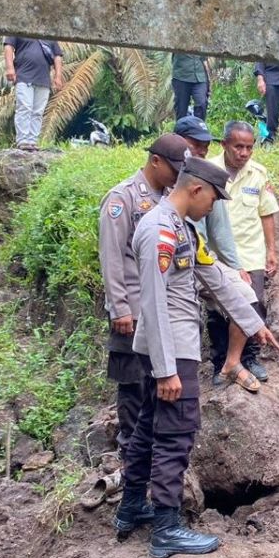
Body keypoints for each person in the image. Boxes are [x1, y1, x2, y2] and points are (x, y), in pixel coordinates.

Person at [117, 157, 279, 558]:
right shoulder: (159, 231)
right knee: (176, 432)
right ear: (196, 190)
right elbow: (153, 303)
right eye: (213, 198)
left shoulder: (182, 230)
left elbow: (215, 278)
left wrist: (253, 321)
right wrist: (165, 370)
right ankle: (167, 528)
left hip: (171, 347)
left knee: (146, 430)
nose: (214, 207)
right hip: (171, 350)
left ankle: (133, 506)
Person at [98, 134, 190, 479]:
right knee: (132, 386)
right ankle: (129, 455)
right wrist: (119, 308)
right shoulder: (122, 199)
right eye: (173, 168)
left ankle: (149, 456)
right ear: (155, 161)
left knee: (154, 383)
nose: (177, 176)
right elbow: (111, 257)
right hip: (131, 310)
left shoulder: (167, 200)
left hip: (156, 311)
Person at [208, 121, 278, 383]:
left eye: (249, 147)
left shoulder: (258, 174)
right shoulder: (209, 171)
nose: (244, 153)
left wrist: (271, 251)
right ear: (224, 144)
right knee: (217, 310)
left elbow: (266, 212)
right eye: (238, 146)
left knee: (253, 305)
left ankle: (249, 358)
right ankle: (220, 363)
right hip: (217, 256)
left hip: (249, 253)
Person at [3, 36, 65, 150]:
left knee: (38, 112)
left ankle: (32, 141)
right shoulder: (19, 29)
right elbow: (8, 47)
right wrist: (9, 68)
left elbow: (57, 56)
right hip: (24, 76)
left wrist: (58, 76)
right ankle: (23, 140)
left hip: (43, 79)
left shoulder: (48, 34)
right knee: (24, 107)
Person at [171, 53, 211, 121]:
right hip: (182, 76)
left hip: (200, 75)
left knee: (202, 103)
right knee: (181, 109)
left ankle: (198, 128)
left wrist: (208, 76)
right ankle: (181, 129)